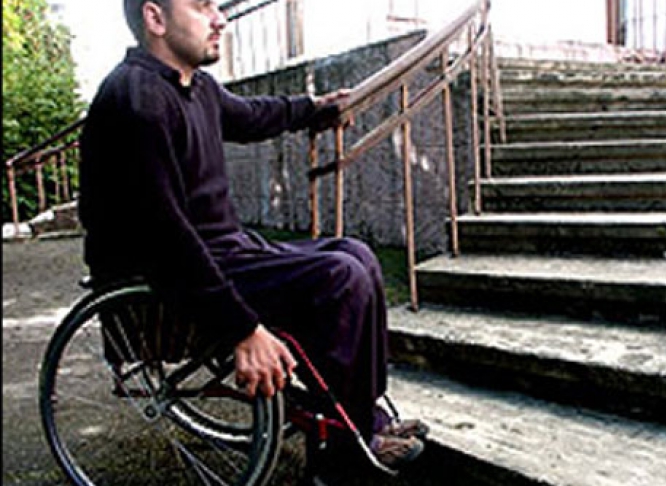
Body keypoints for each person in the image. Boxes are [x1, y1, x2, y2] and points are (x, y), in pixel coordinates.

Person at [78, 0, 428, 473]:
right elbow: (164, 238)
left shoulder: (195, 85)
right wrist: (242, 329)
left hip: (222, 252)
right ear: (155, 19)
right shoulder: (135, 101)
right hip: (166, 274)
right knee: (340, 277)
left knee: (357, 254)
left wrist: (313, 109)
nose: (219, 18)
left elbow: (251, 115)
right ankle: (345, 454)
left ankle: (361, 415)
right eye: (202, 6)